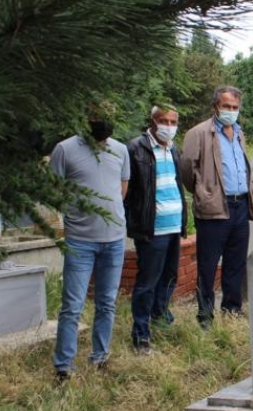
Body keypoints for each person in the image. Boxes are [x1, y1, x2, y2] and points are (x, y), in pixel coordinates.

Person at [50, 110, 129, 380]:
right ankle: (64, 366)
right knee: (72, 306)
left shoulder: (120, 150)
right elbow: (55, 189)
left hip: (114, 240)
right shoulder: (65, 149)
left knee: (107, 303)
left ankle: (100, 357)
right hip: (80, 241)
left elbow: (122, 187)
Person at [181, 86, 253, 327]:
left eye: (235, 107)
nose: (231, 111)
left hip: (240, 205)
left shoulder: (239, 132)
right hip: (214, 208)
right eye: (226, 106)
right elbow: (186, 168)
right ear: (216, 106)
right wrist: (203, 193)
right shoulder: (199, 133)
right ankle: (205, 316)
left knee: (236, 262)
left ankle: (232, 309)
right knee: (208, 264)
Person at [124, 104, 188, 354]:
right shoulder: (136, 148)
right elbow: (127, 190)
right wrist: (133, 220)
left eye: (173, 122)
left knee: (169, 277)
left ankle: (160, 320)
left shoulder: (174, 149)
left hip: (174, 226)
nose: (169, 127)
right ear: (152, 121)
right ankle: (141, 335)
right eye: (164, 121)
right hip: (152, 228)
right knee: (147, 282)